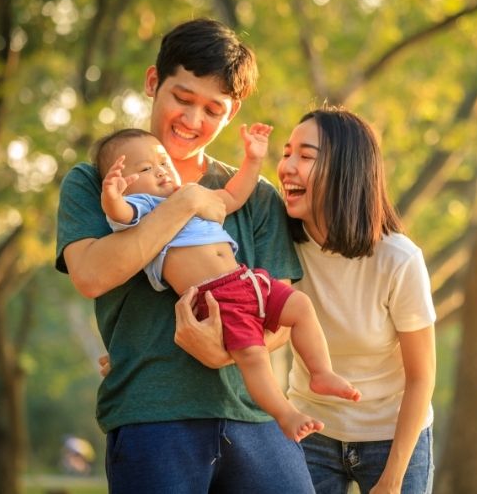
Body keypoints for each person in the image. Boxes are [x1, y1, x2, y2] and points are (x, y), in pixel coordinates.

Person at [56, 18, 316, 493]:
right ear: (154, 82)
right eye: (182, 98)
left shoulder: (254, 196)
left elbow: (282, 305)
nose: (193, 121)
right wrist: (183, 203)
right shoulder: (97, 180)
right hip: (152, 416)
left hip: (254, 413)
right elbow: (91, 275)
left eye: (212, 109)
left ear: (232, 112)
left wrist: (222, 353)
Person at [175, 105, 437, 493]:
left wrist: (393, 479)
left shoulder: (398, 259)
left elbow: (421, 377)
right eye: (286, 153)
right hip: (310, 428)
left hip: (393, 436)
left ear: (346, 170)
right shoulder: (279, 242)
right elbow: (214, 283)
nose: (287, 167)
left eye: (306, 156)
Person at [95, 127, 360, 441]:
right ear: (127, 184)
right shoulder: (144, 208)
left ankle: (320, 372)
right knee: (253, 356)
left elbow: (234, 195)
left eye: (164, 163)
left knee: (300, 305)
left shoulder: (191, 195)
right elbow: (120, 213)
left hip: (247, 280)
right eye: (145, 169)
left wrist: (253, 159)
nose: (162, 172)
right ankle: (284, 413)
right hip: (217, 299)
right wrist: (112, 195)